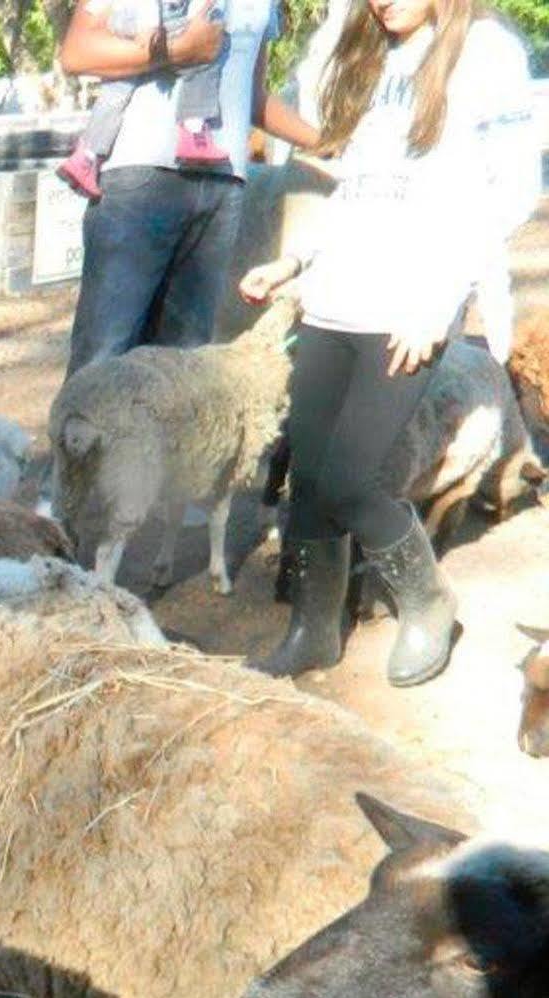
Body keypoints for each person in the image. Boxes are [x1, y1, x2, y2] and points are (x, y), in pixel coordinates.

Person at [240, 0, 538, 685]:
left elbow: (504, 196)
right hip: (335, 298)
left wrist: (437, 304)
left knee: (352, 478)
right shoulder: (368, 53)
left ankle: (427, 600)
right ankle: (311, 629)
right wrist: (296, 262)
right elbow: (360, 190)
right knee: (310, 478)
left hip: (409, 306)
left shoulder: (486, 54)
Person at [59, 0, 319, 373]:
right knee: (102, 361)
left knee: (182, 368)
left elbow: (252, 96)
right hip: (140, 179)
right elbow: (77, 52)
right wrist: (178, 49)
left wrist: (329, 142)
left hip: (222, 187)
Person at [58, 0, 233, 200]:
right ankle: (194, 132)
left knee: (117, 89)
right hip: (146, 18)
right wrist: (153, 29)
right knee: (210, 45)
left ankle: (86, 156)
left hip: (127, 17)